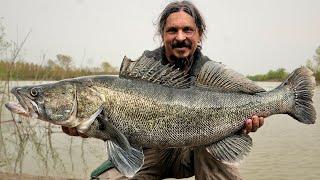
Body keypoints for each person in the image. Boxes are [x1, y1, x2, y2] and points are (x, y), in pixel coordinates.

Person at [62, 1, 265, 179]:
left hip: (198, 151)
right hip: (151, 152)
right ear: (162, 35)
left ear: (199, 34)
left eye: (187, 30)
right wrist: (88, 127)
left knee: (213, 145)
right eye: (172, 30)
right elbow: (112, 131)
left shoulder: (210, 73)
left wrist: (244, 124)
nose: (180, 37)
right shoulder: (144, 68)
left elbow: (247, 101)